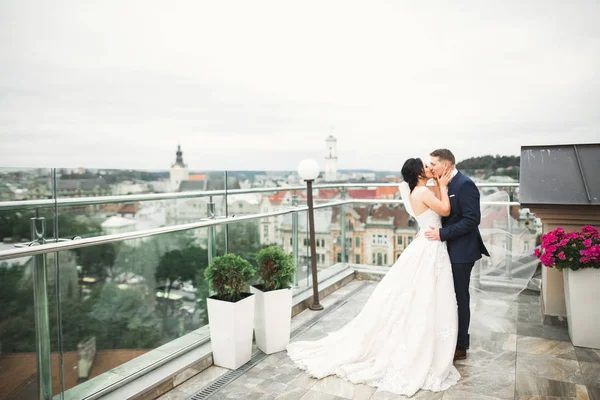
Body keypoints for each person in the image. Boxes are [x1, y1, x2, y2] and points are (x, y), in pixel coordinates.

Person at [287, 158, 460, 397]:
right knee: (424, 296)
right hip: (430, 248)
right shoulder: (422, 191)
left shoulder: (418, 191)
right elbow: (446, 210)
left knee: (422, 296)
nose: (431, 168)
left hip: (429, 245)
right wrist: (443, 185)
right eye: (427, 166)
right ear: (419, 172)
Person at [424, 148, 490, 361]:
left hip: (462, 251)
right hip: (443, 250)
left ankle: (461, 346)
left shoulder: (464, 184)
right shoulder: (441, 184)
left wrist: (442, 233)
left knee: (460, 298)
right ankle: (445, 339)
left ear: (447, 165)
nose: (430, 167)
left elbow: (472, 219)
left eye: (433, 164)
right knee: (444, 296)